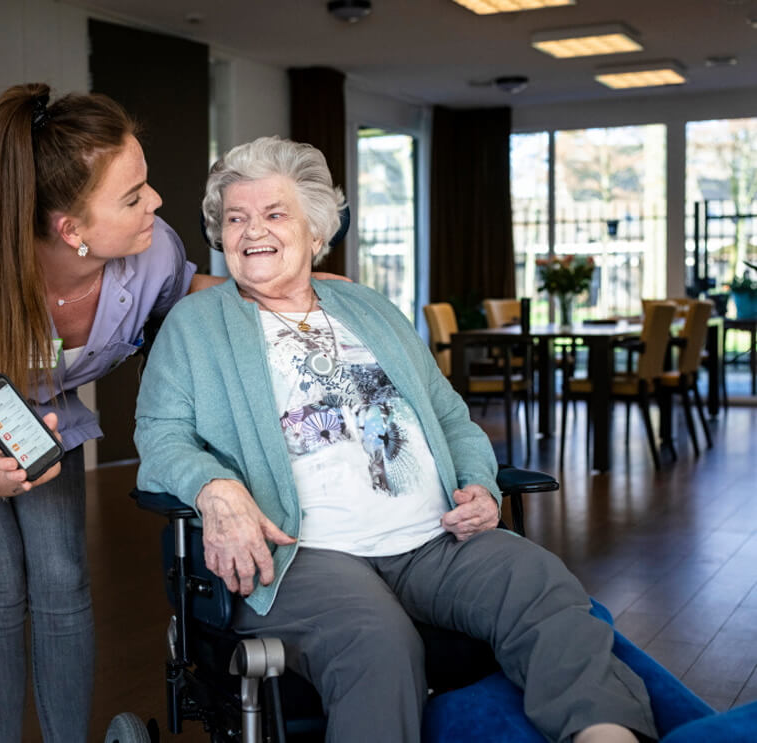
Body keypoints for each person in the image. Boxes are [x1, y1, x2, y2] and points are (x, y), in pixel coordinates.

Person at [134, 136, 658, 743]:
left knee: (539, 583)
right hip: (304, 554)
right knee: (376, 642)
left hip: (432, 539)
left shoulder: (367, 307)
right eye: (236, 218)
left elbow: (449, 414)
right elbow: (160, 435)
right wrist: (214, 488)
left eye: (275, 214)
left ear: (314, 230)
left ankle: (606, 733)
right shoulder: (195, 326)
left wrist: (477, 484)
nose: (254, 230)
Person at [0, 83, 223, 742]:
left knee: (63, 575)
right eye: (134, 195)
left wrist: (284, 285)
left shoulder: (155, 251)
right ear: (72, 229)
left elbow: (194, 295)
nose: (158, 202)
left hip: (37, 400)